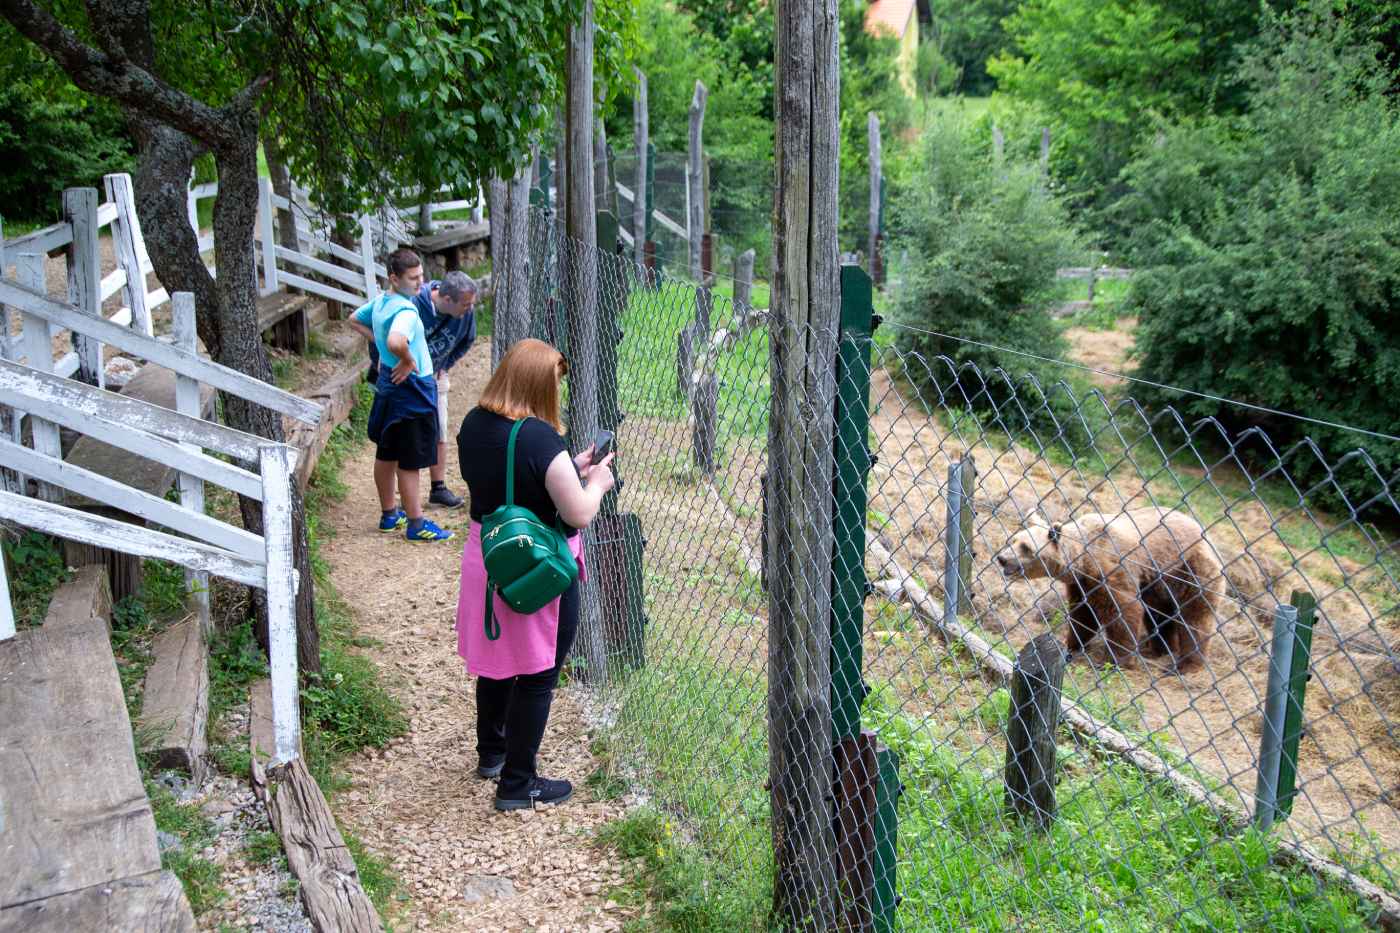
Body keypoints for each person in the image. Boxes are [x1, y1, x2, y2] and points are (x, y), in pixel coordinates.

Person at [454, 339, 615, 810]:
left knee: (498, 660)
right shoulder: (540, 438)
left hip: (488, 556)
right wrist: (596, 482)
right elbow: (579, 512)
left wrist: (570, 466)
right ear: (540, 385)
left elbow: (515, 477)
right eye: (554, 384)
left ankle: (493, 754)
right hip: (537, 566)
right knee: (538, 672)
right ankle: (519, 785)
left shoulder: (474, 423)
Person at [347, 248, 455, 541]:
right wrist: (407, 359)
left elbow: (354, 318)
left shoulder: (383, 301)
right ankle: (417, 523)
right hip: (412, 389)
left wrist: (379, 344)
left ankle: (389, 514)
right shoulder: (406, 310)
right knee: (409, 458)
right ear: (394, 278)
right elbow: (397, 340)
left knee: (387, 450)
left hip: (388, 384)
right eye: (413, 278)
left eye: (421, 276)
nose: (420, 283)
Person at [365, 269, 479, 508]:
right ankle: (405, 508)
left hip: (432, 376)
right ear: (448, 300)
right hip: (400, 378)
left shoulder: (465, 314)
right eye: (466, 305)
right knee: (401, 442)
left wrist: (445, 365)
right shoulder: (412, 303)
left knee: (438, 428)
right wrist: (384, 360)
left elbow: (468, 339)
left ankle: (437, 487)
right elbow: (381, 328)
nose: (470, 310)